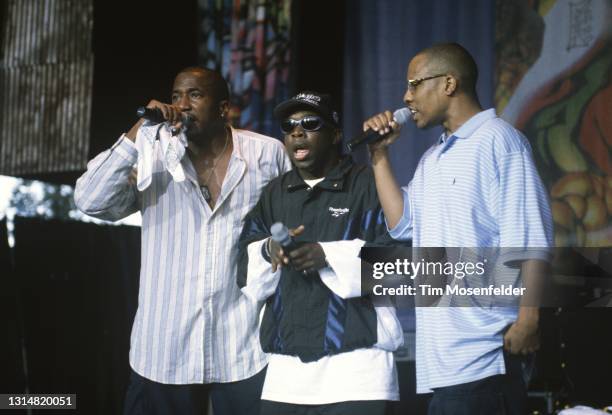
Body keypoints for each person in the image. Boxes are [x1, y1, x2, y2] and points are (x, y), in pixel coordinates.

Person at [74, 67, 291, 415]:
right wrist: (139, 132)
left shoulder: (267, 155)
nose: (182, 104)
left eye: (194, 95)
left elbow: (294, 219)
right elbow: (89, 200)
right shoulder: (151, 153)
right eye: (176, 96)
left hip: (243, 341)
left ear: (223, 108)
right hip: (164, 347)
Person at [363, 43, 553, 414]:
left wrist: (529, 318)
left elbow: (530, 238)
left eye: (414, 84)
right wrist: (379, 155)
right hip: (442, 363)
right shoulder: (432, 158)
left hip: (487, 352)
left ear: (449, 83)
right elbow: (403, 226)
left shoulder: (499, 141)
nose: (406, 97)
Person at [236, 91, 403, 415]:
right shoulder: (274, 193)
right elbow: (244, 265)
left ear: (335, 134)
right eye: (289, 125)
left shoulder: (370, 183)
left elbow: (402, 262)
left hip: (359, 372)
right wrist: (270, 250)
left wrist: (327, 256)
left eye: (310, 123)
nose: (297, 132)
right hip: (286, 375)